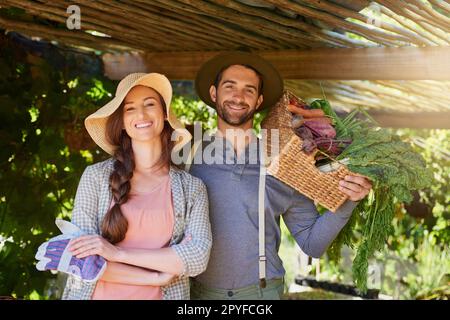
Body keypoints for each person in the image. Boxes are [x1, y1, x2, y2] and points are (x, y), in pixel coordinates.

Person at [187, 51, 372, 300]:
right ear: (214, 93)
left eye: (249, 90)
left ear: (259, 100)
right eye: (229, 86)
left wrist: (349, 200)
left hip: (261, 294)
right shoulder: (188, 156)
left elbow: (312, 243)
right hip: (197, 294)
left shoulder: (285, 161)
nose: (239, 97)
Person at [62, 73, 212, 300]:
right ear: (122, 121)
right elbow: (81, 259)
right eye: (130, 108)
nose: (141, 114)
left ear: (164, 114)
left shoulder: (192, 188)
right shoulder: (95, 178)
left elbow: (198, 257)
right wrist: (155, 276)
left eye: (150, 104)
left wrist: (116, 253)